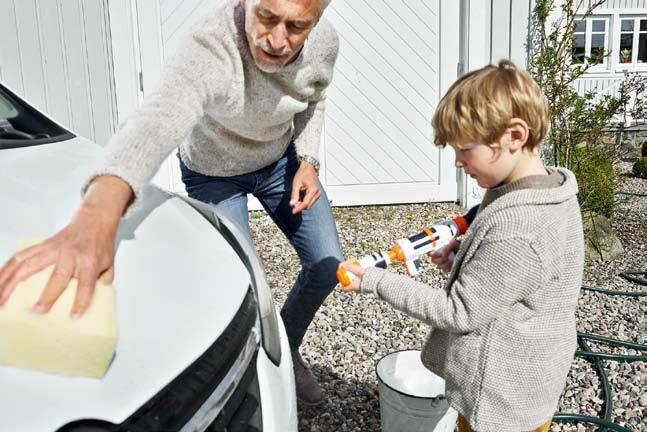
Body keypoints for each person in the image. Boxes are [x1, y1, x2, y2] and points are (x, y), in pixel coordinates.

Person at [0, 0, 341, 405]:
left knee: (327, 266)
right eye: (267, 16)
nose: (278, 40)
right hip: (214, 173)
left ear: (316, 21)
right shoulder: (212, 45)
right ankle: (257, 369)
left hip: (280, 164)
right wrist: (98, 212)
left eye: (297, 26)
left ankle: (286, 351)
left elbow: (316, 95)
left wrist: (308, 160)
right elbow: (160, 118)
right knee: (247, 287)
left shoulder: (324, 43)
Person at [339, 60, 585, 432]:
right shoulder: (544, 190)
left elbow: (458, 312)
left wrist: (375, 280)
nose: (456, 162)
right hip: (526, 385)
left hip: (501, 407)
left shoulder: (520, 227)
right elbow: (514, 276)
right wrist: (465, 255)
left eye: (465, 149)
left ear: (515, 136)